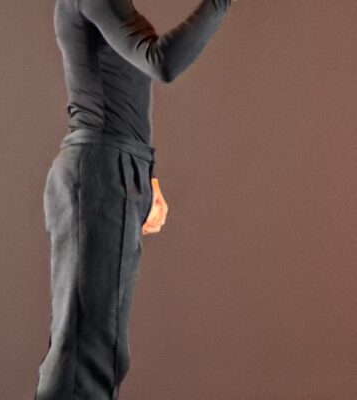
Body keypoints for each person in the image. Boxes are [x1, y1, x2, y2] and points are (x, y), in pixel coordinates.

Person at [34, 0, 234, 398]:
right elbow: (162, 63)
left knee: (100, 347)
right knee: (86, 351)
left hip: (115, 170)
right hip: (99, 172)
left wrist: (143, 177)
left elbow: (120, 90)